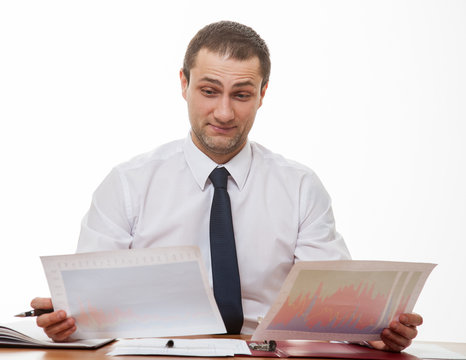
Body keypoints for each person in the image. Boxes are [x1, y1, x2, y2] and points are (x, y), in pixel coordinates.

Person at [31, 20, 422, 352]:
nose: (224, 112)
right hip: (159, 358)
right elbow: (91, 313)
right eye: (209, 90)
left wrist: (373, 333)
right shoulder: (128, 184)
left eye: (242, 95)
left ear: (262, 95)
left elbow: (336, 311)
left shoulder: (300, 187)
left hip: (266, 357)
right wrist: (69, 324)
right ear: (183, 84)